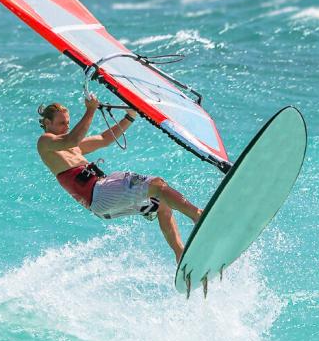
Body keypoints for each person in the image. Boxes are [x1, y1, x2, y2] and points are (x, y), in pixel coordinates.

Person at [36, 94, 202, 263]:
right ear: (47, 123)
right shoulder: (45, 142)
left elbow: (104, 139)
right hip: (101, 193)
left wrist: (130, 117)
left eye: (68, 123)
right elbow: (72, 139)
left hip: (102, 205)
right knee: (157, 185)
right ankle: (198, 216)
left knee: (162, 204)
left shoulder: (72, 148)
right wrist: (91, 110)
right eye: (61, 123)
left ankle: (180, 254)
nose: (66, 127)